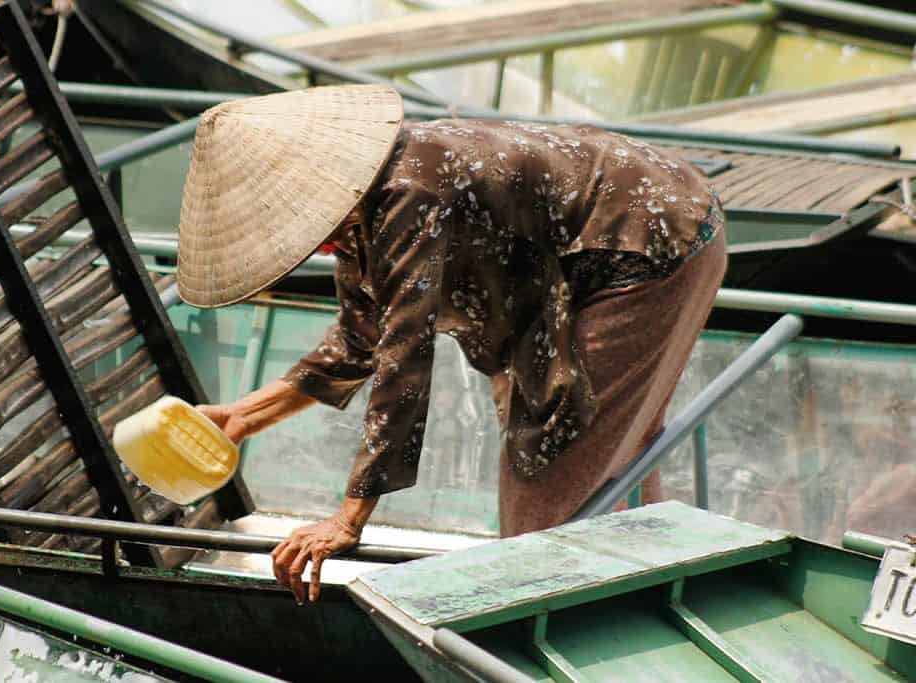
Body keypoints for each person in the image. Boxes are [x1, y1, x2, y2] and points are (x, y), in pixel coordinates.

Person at [178, 85, 727, 604]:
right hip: (583, 253)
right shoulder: (358, 208)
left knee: (550, 465)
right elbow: (357, 339)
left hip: (652, 237)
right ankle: (643, 588)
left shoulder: (408, 192)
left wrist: (346, 521)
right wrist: (244, 417)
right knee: (603, 442)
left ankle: (548, 631)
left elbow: (403, 363)